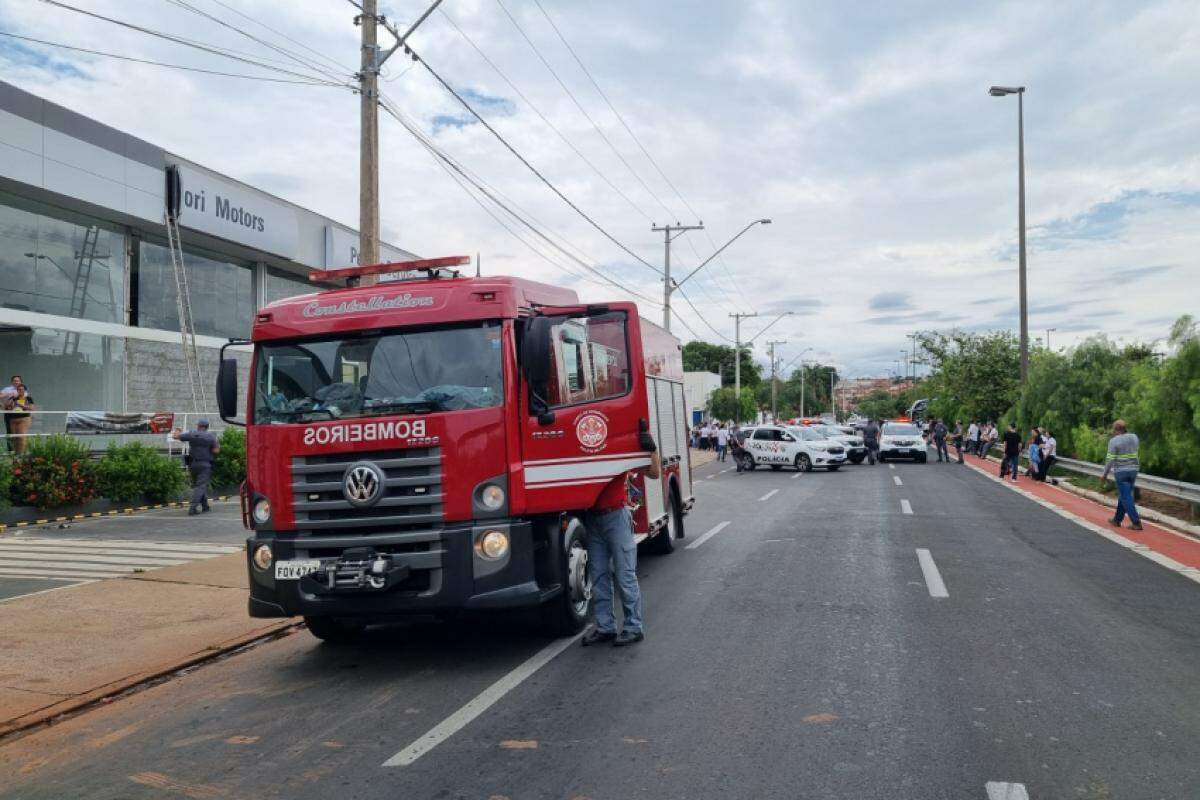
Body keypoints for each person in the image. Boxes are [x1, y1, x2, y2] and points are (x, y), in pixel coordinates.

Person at [582, 419, 661, 647]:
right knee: (598, 576)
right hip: (593, 518)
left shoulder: (620, 449)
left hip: (616, 517)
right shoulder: (585, 451)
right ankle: (605, 627)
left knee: (625, 575)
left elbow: (655, 473)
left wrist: (651, 448)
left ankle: (634, 627)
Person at [172, 419, 220, 515]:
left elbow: (175, 436)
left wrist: (178, 430)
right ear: (206, 427)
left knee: (199, 486)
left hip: (193, 464)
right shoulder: (211, 436)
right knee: (201, 486)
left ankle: (205, 506)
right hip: (205, 465)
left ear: (199, 426)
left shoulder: (192, 434)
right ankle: (192, 508)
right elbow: (216, 451)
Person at [1101, 419, 1142, 531]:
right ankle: (1117, 520)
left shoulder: (1114, 441)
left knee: (1125, 496)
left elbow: (1110, 460)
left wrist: (1104, 474)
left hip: (1121, 472)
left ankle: (1136, 522)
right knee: (1124, 495)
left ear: (1116, 429)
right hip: (1133, 470)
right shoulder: (1134, 437)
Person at [2, 376, 34, 454]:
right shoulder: (11, 395)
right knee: (13, 437)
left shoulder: (27, 397)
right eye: (18, 390)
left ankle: (22, 453)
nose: (20, 391)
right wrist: (10, 401)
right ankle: (14, 453)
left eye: (22, 389)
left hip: (23, 418)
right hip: (12, 418)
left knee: (21, 436)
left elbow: (31, 408)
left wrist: (22, 406)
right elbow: (6, 406)